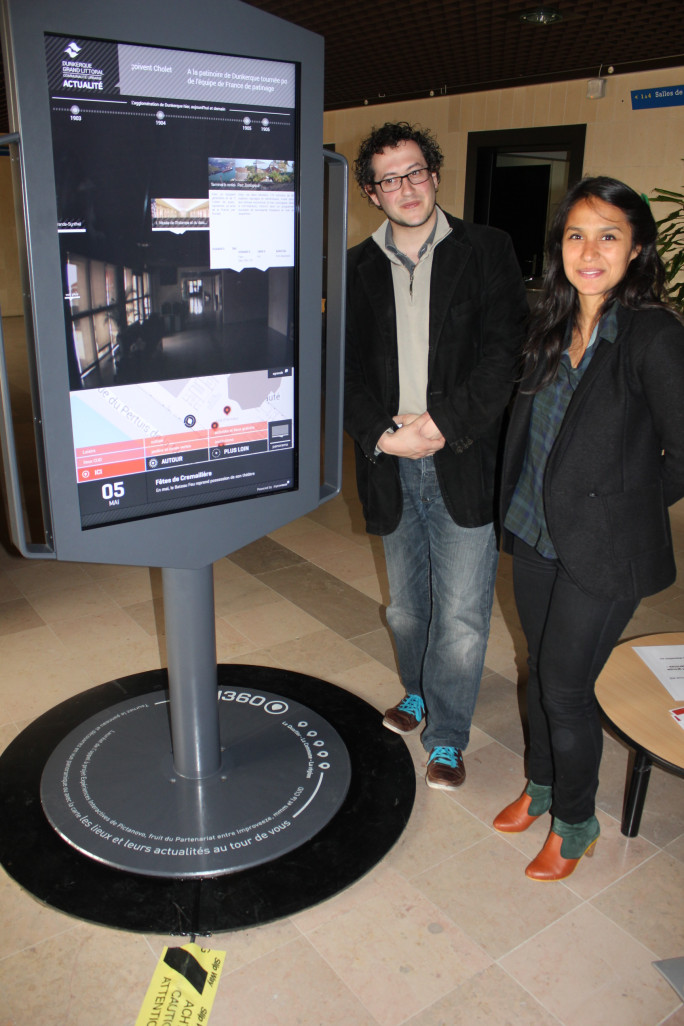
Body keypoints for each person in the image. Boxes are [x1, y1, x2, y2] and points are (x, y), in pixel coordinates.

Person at [494, 176, 684, 880]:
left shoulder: (653, 335)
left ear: (636, 250)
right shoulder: (551, 320)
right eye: (577, 234)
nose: (590, 249)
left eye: (609, 235)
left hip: (603, 551)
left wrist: (622, 510)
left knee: (567, 689)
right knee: (540, 671)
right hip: (537, 532)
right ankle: (541, 786)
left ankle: (575, 823)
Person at [344, 121, 528, 789]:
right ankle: (417, 690)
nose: (406, 187)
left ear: (436, 176)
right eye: (389, 178)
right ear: (373, 192)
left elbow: (503, 356)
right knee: (405, 609)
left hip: (463, 457)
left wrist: (439, 426)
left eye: (416, 171)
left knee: (460, 614)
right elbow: (346, 369)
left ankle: (447, 735)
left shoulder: (488, 250)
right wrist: (383, 436)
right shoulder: (356, 265)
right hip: (390, 460)